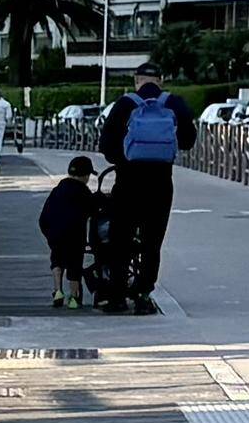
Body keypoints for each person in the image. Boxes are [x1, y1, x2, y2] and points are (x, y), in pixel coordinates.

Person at [94, 71, 185, 311]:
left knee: (120, 239)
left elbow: (106, 144)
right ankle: (143, 295)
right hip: (161, 182)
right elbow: (187, 140)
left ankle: (117, 296)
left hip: (128, 182)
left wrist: (124, 159)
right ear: (161, 80)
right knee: (152, 241)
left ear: (136, 82)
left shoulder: (125, 104)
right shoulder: (173, 103)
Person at [37, 156, 101, 306]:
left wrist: (49, 234)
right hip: (74, 235)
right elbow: (94, 210)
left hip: (54, 233)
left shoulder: (57, 190)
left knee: (57, 260)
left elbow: (44, 216)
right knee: (74, 266)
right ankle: (74, 297)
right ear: (85, 175)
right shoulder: (83, 192)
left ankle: (57, 291)